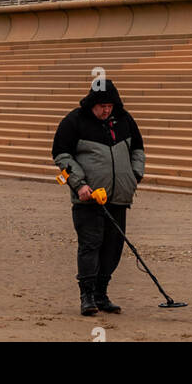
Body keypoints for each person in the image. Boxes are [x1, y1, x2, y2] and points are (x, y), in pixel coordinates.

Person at [52, 77, 145, 316]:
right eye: (102, 106)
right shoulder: (74, 121)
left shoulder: (124, 120)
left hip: (118, 197)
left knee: (113, 247)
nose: (106, 110)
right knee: (91, 245)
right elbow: (61, 156)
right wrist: (79, 184)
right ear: (92, 103)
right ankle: (87, 296)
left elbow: (138, 150)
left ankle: (102, 294)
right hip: (88, 199)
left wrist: (135, 175)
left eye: (110, 106)